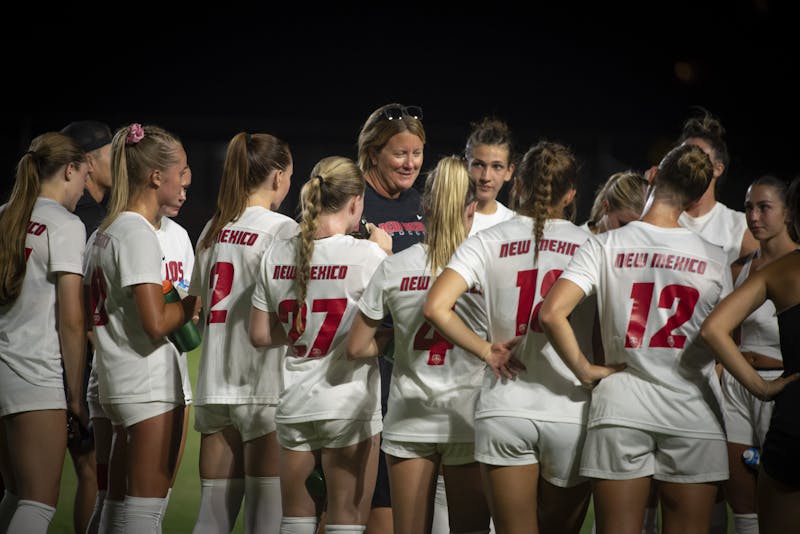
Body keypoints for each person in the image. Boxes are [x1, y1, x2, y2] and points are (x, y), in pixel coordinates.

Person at [539, 143, 732, 534]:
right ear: (696, 198)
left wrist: (584, 369)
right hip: (693, 410)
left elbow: (551, 313)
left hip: (621, 407)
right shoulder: (715, 256)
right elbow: (723, 339)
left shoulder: (606, 244)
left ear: (652, 176)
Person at [424, 141, 595, 534]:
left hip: (505, 406)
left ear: (517, 184)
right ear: (571, 194)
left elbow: (435, 306)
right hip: (570, 408)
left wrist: (487, 350)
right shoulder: (592, 244)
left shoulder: (487, 240)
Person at [346, 155, 492, 534]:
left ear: (424, 207)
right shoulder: (485, 266)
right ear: (471, 210)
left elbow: (357, 346)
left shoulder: (395, 265)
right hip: (467, 416)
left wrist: (399, 342)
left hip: (409, 415)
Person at [250, 155, 392, 534]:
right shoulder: (368, 255)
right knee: (347, 520)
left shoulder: (277, 252)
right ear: (355, 202)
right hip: (348, 404)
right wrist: (387, 254)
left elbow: (260, 334)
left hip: (295, 402)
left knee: (296, 520)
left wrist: (306, 330)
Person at [83, 123, 196, 533]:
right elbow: (156, 322)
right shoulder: (137, 232)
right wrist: (191, 305)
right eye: (180, 171)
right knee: (144, 513)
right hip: (146, 385)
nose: (185, 180)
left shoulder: (104, 232)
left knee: (113, 506)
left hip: (116, 380)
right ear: (155, 176)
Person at [190, 132, 297, 534]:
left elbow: (198, 302)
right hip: (264, 386)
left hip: (215, 384)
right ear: (277, 176)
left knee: (210, 520)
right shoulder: (283, 229)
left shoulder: (213, 228)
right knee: (265, 520)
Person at [700, 176, 800, 534]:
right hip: (740, 384)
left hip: (781, 386)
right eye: (748, 208)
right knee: (741, 500)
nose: (754, 216)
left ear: (788, 213)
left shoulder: (789, 268)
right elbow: (721, 331)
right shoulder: (740, 268)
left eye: (764, 207)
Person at [0, 132, 88, 533]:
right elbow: (71, 319)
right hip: (34, 374)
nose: (85, 187)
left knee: (15, 494)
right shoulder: (65, 225)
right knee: (39, 502)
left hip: (5, 371)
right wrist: (76, 396)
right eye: (84, 175)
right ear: (69, 170)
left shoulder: (5, 214)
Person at [356, 103, 427, 533]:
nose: (410, 163)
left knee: (404, 495)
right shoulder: (351, 201)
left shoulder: (423, 204)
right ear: (373, 153)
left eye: (417, 153)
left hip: (415, 367)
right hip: (363, 363)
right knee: (354, 498)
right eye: (400, 153)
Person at [60, 119, 113, 534]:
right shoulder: (85, 222)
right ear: (89, 162)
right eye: (111, 153)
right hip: (79, 362)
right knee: (93, 472)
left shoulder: (80, 215)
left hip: (61, 361)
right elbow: (81, 308)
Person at [673, 108, 758, 266]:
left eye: (697, 157)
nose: (687, 164)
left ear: (718, 169)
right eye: (681, 156)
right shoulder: (663, 215)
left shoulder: (739, 227)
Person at [464, 116, 516, 236]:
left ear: (509, 171)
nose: (486, 177)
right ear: (465, 166)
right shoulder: (446, 215)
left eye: (497, 167)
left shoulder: (514, 223)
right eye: (478, 165)